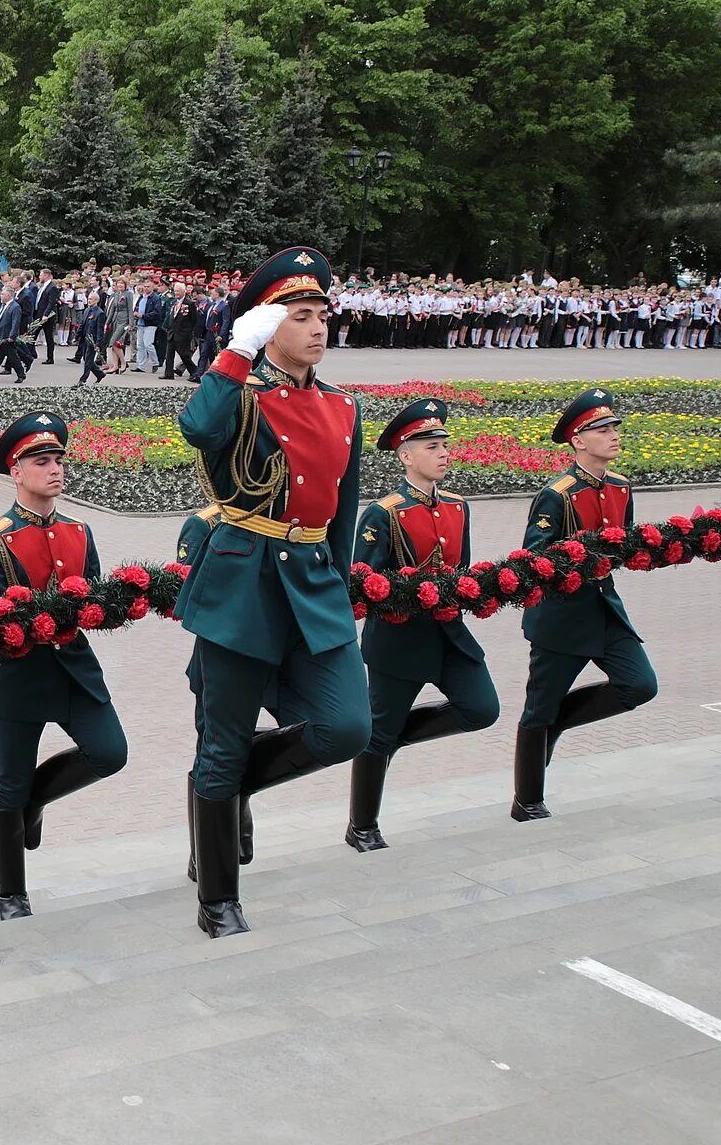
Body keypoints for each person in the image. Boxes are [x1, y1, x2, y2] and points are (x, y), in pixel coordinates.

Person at [175, 246, 369, 938]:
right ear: (267, 323)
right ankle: (218, 900)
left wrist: (341, 592)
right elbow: (198, 428)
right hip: (243, 578)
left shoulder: (346, 406)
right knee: (223, 743)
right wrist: (235, 350)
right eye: (299, 315)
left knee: (346, 725)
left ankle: (218, 793)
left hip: (313, 582)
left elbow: (344, 510)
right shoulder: (242, 394)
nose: (317, 328)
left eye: (323, 315)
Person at [0, 414, 129, 918]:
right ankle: (11, 893)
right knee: (8, 785)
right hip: (19, 677)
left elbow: (94, 597)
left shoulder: (79, 530)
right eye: (42, 462)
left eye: (58, 460)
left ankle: (34, 802)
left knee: (110, 752)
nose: (54, 469)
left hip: (75, 670)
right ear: (16, 472)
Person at [347, 399, 499, 850]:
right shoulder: (384, 513)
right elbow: (363, 582)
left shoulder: (457, 506)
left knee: (481, 709)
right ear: (406, 455)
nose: (444, 453)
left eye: (445, 445)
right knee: (377, 735)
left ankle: (390, 737)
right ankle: (362, 825)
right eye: (432, 446)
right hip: (399, 641)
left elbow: (462, 569)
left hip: (450, 635)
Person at [512, 388, 658, 820]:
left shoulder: (621, 487)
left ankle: (560, 723)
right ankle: (528, 800)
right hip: (560, 618)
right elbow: (533, 558)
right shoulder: (557, 494)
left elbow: (626, 546)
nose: (614, 435)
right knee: (538, 710)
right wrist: (577, 557)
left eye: (615, 428)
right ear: (578, 440)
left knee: (639, 685)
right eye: (603, 429)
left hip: (604, 611)